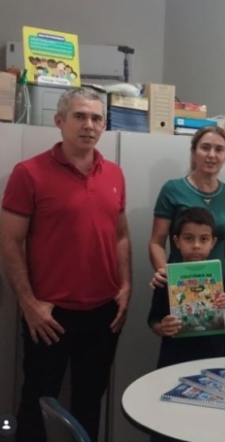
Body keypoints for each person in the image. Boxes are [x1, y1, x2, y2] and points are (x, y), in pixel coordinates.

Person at [0, 88, 131, 442]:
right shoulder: (29, 173)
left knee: (90, 400)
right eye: (80, 116)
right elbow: (9, 241)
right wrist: (29, 304)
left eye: (96, 118)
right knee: (37, 402)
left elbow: (121, 235)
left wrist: (126, 286)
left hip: (104, 313)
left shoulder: (114, 174)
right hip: (49, 315)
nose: (89, 125)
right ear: (59, 121)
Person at [149, 126, 225, 293]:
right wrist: (167, 277)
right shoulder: (172, 189)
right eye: (205, 148)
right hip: (179, 285)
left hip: (219, 286)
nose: (211, 155)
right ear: (194, 152)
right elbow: (157, 243)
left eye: (219, 149)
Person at [148, 207, 225, 368]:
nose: (196, 245)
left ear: (213, 242)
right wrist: (162, 327)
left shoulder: (222, 278)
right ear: (177, 241)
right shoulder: (167, 278)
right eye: (188, 238)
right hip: (174, 357)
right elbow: (153, 319)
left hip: (211, 356)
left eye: (204, 239)